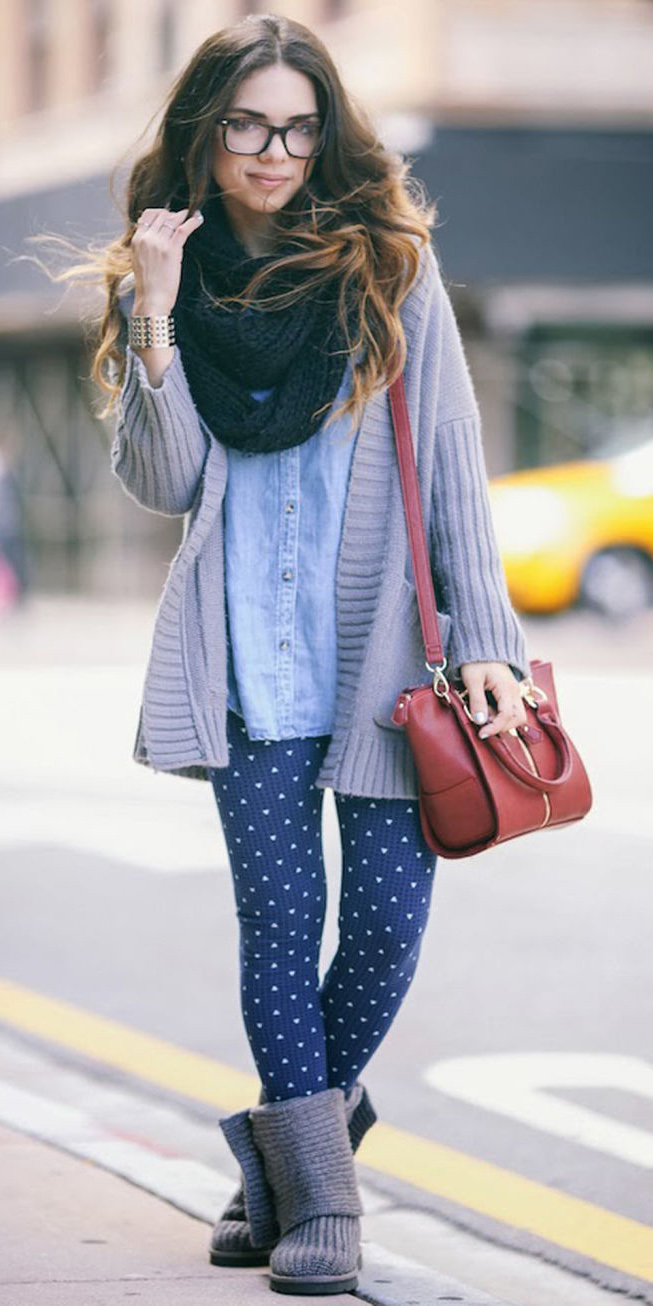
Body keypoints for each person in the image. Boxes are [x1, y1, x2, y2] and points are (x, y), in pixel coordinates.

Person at [36, 12, 532, 1296]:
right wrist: (151, 314)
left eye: (298, 128)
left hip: (380, 657)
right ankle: (325, 1208)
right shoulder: (174, 275)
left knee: (381, 920)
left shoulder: (386, 265)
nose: (275, 152)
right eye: (250, 125)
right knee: (279, 921)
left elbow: (448, 466)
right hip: (245, 656)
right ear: (207, 135)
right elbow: (167, 478)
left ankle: (278, 1164)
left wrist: (483, 637)